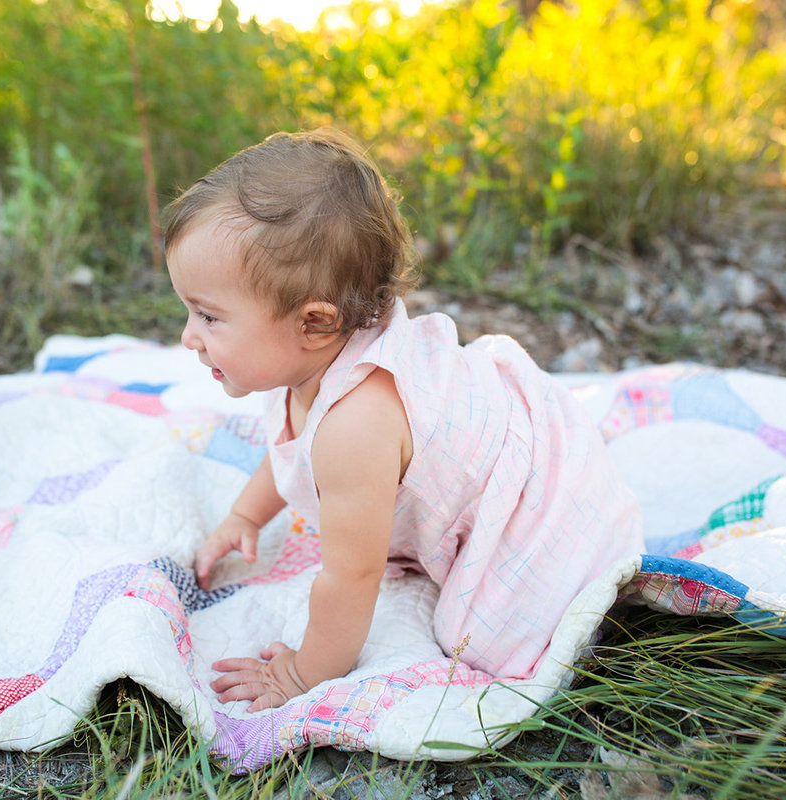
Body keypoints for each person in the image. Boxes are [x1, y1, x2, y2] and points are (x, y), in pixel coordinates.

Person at [162, 129, 645, 712]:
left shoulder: (356, 425)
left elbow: (351, 577)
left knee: (480, 640)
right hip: (515, 453)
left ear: (315, 322)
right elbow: (292, 441)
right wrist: (246, 514)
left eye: (209, 317)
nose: (189, 337)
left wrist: (301, 674)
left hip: (536, 513)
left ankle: (581, 607)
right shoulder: (310, 357)